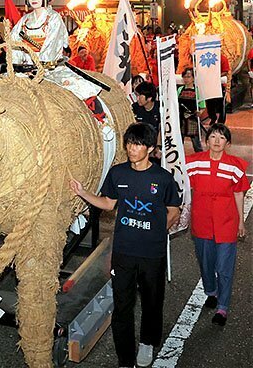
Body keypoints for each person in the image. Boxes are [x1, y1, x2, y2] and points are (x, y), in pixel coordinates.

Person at [70, 122, 181, 368]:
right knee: (122, 305)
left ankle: (147, 343)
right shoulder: (118, 173)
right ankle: (125, 358)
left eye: (139, 143)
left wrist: (156, 232)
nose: (132, 148)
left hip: (152, 253)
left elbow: (174, 210)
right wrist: (83, 192)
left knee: (152, 301)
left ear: (151, 148)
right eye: (130, 143)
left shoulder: (162, 179)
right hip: (123, 251)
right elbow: (109, 203)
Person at [186, 123, 249, 326]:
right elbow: (178, 176)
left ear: (227, 143)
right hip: (202, 218)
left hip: (226, 221)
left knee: (224, 267)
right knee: (206, 263)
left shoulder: (235, 165)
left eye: (222, 138)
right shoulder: (194, 162)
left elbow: (239, 193)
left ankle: (222, 307)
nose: (216, 141)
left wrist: (240, 222)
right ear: (206, 141)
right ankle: (211, 291)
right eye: (213, 136)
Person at [177, 68, 204, 152]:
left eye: (188, 76)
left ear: (193, 78)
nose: (186, 79)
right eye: (184, 77)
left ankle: (200, 158)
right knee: (179, 142)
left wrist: (200, 113)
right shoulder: (180, 89)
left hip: (193, 119)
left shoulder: (198, 90)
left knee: (196, 143)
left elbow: (202, 105)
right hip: (181, 118)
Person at [131, 81, 161, 157]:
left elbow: (162, 129)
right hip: (139, 146)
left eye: (139, 96)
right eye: (136, 96)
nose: (137, 99)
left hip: (155, 147)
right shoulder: (134, 108)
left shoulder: (160, 108)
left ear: (149, 98)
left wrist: (158, 147)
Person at [205, 52, 231, 125]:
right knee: (209, 103)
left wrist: (215, 76)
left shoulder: (223, 58)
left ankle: (221, 122)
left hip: (220, 84)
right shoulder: (206, 58)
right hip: (209, 84)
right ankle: (213, 117)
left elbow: (225, 71)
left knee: (221, 105)